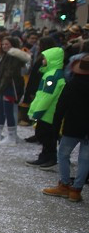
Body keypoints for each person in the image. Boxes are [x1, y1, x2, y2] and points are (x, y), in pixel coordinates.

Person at [43, 55, 89, 202]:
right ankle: (76, 190)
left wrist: (56, 128)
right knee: (85, 159)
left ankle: (64, 185)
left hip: (73, 126)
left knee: (63, 154)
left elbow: (61, 107)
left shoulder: (72, 84)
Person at [27, 46, 68, 168]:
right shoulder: (51, 73)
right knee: (45, 135)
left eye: (44, 58)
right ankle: (45, 156)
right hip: (48, 111)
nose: (43, 61)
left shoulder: (52, 76)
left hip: (48, 112)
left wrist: (38, 111)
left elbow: (47, 96)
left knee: (46, 135)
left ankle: (50, 158)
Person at [0, 37, 29, 146]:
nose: (4, 46)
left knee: (8, 111)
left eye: (7, 44)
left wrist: (2, 85)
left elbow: (9, 74)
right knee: (0, 109)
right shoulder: (4, 56)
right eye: (3, 44)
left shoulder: (14, 57)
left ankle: (11, 136)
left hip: (10, 87)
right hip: (4, 86)